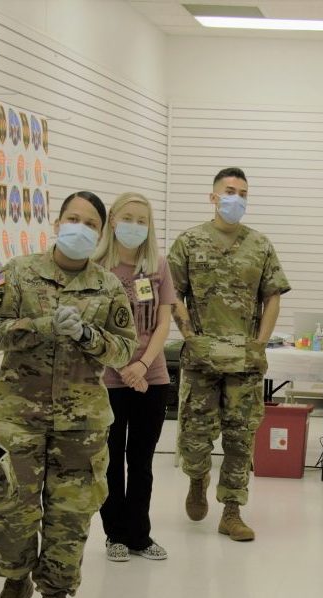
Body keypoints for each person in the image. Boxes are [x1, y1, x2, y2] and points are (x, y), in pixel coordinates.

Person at [0, 190, 136, 598]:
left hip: (81, 420)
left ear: (101, 234)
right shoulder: (19, 272)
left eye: (89, 224)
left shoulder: (108, 287)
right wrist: (42, 327)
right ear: (56, 222)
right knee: (13, 509)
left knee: (70, 513)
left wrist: (87, 335)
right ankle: (14, 580)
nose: (79, 228)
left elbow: (124, 350)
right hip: (17, 414)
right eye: (73, 218)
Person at [170, 167, 290, 541]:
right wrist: (190, 336)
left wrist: (260, 342)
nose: (236, 198)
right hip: (202, 359)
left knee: (240, 438)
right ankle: (196, 478)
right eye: (229, 190)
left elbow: (272, 296)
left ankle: (232, 511)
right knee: (195, 435)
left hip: (244, 361)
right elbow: (172, 294)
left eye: (243, 193)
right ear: (213, 196)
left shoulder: (260, 245)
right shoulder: (188, 242)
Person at [92, 192, 177, 562]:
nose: (135, 227)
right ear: (113, 220)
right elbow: (93, 328)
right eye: (129, 218)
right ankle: (115, 535)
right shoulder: (97, 267)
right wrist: (122, 369)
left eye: (142, 221)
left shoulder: (157, 264)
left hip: (151, 376)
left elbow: (163, 322)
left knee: (141, 461)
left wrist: (142, 366)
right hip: (109, 378)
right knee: (110, 458)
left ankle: (140, 535)